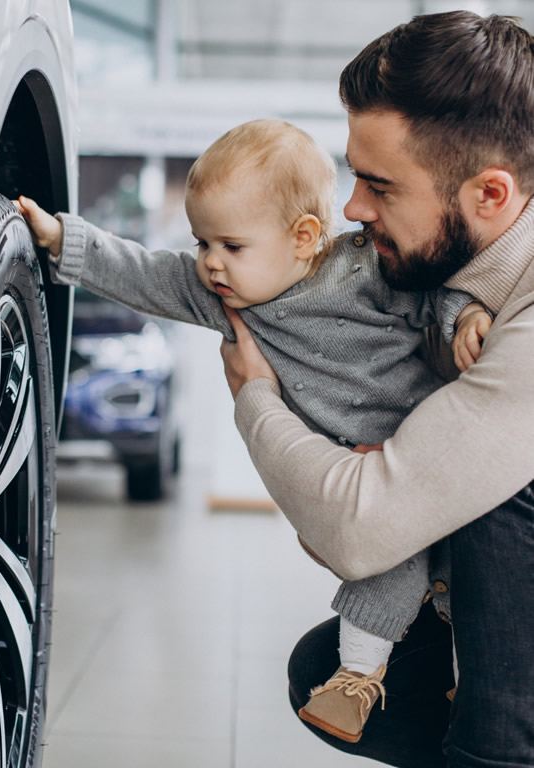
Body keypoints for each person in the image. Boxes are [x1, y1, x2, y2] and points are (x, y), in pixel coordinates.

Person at [14, 118, 490, 744]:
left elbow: (434, 292)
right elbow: (142, 273)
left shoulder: (361, 270)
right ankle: (355, 678)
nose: (211, 263)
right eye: (201, 243)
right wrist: (62, 240)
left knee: (470, 575)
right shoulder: (220, 295)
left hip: (423, 449)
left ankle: (473, 687)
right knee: (385, 568)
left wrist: (467, 317)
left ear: (303, 238)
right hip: (353, 478)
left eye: (231, 246)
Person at [218, 11, 534, 768]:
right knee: (321, 672)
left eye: (380, 185)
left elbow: (360, 530)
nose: (353, 209)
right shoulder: (455, 286)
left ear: (489, 195)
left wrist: (254, 397)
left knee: (500, 491)